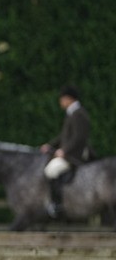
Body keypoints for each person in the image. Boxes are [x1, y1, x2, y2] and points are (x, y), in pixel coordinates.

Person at [40, 84, 90, 218]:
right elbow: (64, 136)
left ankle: (57, 204)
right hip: (70, 151)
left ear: (69, 99)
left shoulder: (79, 114)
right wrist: (49, 145)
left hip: (76, 153)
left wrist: (64, 151)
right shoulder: (71, 113)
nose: (60, 102)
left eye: (62, 99)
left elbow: (79, 137)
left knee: (50, 170)